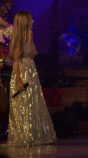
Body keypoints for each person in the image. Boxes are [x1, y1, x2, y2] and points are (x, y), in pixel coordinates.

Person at [7, 11, 57, 146]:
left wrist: (30, 41)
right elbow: (16, 61)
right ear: (24, 22)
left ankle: (34, 134)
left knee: (33, 101)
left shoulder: (29, 34)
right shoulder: (19, 38)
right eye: (30, 19)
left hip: (31, 70)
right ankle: (24, 135)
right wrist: (19, 82)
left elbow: (33, 53)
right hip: (22, 73)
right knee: (23, 104)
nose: (33, 21)